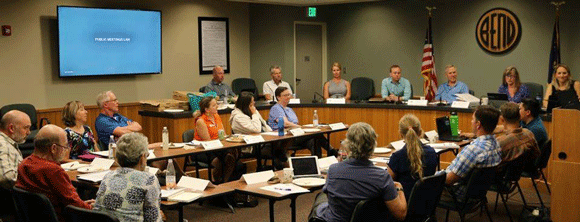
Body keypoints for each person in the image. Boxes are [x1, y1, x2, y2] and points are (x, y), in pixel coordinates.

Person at [310, 122, 407, 222]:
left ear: (347, 144)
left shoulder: (333, 170)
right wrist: (399, 187)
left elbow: (331, 197)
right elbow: (401, 214)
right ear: (373, 145)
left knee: (320, 198)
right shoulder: (382, 177)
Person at [15, 124, 93, 221]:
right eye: (65, 146)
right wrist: (93, 208)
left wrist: (84, 203)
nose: (66, 149)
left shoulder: (24, 163)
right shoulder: (54, 171)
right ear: (53, 148)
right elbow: (75, 205)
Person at [94, 132, 162, 222]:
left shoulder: (108, 176)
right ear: (142, 158)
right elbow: (153, 220)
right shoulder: (149, 180)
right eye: (146, 155)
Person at [444, 105, 502, 198]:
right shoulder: (496, 145)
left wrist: (433, 178)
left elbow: (449, 180)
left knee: (419, 185)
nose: (471, 122)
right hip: (477, 193)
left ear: (478, 124)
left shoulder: (473, 150)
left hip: (456, 193)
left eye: (472, 119)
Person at [387, 114, 437, 199]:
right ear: (421, 132)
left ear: (400, 134)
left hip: (403, 204)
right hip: (427, 203)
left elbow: (386, 183)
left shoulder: (398, 157)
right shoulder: (432, 153)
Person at [194, 96, 237, 183]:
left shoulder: (217, 116)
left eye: (216, 104)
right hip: (203, 150)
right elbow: (208, 142)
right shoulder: (201, 121)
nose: (217, 106)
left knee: (233, 156)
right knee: (227, 159)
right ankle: (221, 183)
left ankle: (222, 182)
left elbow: (223, 135)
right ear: (207, 109)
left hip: (218, 147)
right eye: (214, 105)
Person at [496, 103, 540, 170]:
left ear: (501, 119)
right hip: (520, 172)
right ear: (519, 117)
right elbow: (537, 154)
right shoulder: (529, 134)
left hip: (501, 177)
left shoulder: (500, 142)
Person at [0, 110, 31, 189]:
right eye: (26, 128)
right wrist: (31, 179)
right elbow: (6, 177)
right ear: (11, 128)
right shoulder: (4, 145)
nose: (29, 132)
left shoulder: (8, 142)